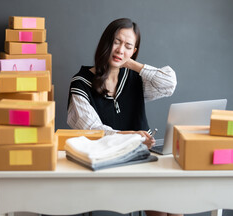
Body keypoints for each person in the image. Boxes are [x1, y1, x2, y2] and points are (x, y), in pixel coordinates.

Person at [67, 18, 181, 216]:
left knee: (176, 204)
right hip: (105, 165)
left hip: (142, 161)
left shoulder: (134, 78)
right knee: (165, 205)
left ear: (134, 51)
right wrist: (133, 136)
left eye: (128, 46)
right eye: (116, 42)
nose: (120, 50)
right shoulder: (81, 84)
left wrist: (134, 65)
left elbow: (168, 84)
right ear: (106, 42)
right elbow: (94, 130)